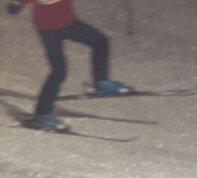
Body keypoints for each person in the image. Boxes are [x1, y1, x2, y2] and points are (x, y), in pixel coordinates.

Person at [7, 0, 131, 131]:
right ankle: (42, 115)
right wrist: (17, 4)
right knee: (59, 71)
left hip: (68, 22)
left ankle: (101, 82)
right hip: (48, 29)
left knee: (100, 41)